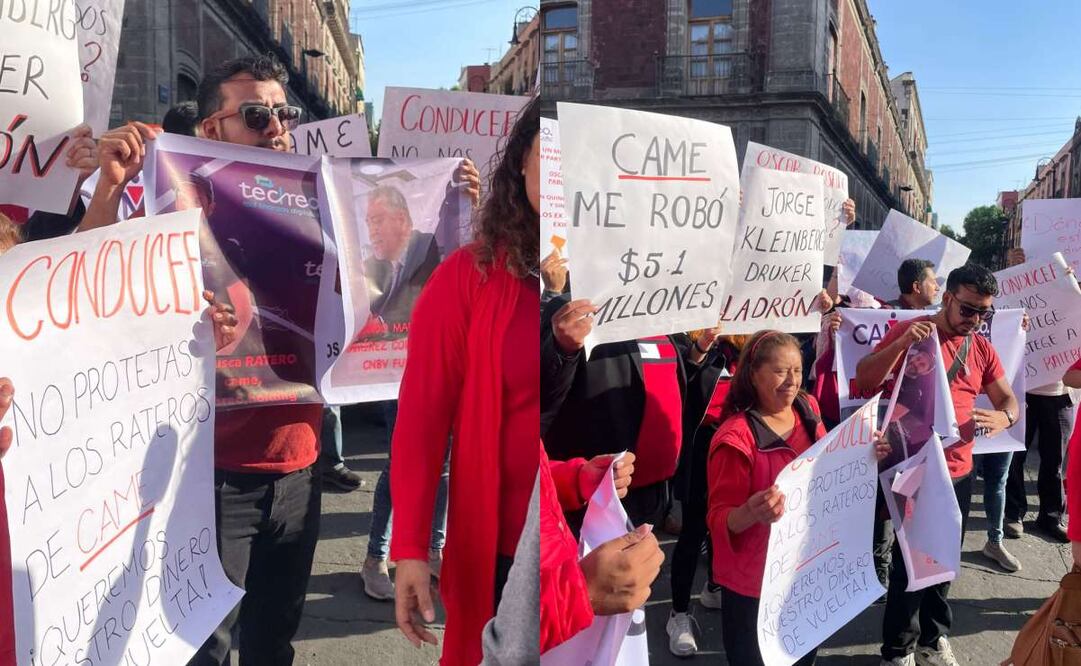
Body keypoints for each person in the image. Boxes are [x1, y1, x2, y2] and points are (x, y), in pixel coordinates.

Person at [81, 54, 323, 665]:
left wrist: (451, 208)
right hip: (207, 473)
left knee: (274, 643)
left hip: (300, 461)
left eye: (283, 112)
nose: (277, 127)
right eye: (255, 114)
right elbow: (86, 283)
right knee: (202, 647)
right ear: (212, 130)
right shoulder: (168, 205)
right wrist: (111, 185)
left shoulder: (324, 205)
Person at [389, 96, 539, 665]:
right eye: (544, 151)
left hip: (601, 543)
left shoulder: (629, 283)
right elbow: (422, 421)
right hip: (506, 554)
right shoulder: (465, 278)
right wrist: (409, 548)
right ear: (519, 165)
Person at [855, 263, 1019, 666]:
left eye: (984, 313)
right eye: (968, 310)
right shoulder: (914, 334)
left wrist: (1005, 418)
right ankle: (898, 650)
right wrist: (899, 345)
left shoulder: (981, 347)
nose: (975, 320)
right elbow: (863, 379)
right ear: (946, 299)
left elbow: (1008, 400)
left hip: (958, 472)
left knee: (944, 560)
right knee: (910, 565)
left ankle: (933, 638)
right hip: (911, 468)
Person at [707, 330, 890, 666]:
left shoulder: (808, 407)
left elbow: (828, 462)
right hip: (755, 588)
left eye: (796, 370)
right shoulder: (735, 439)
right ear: (753, 374)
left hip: (805, 576)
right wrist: (750, 512)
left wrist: (866, 455)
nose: (791, 381)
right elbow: (718, 518)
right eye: (779, 371)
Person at [666, 332, 746, 656]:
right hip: (703, 446)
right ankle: (679, 614)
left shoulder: (757, 347)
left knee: (727, 523)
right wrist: (702, 347)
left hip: (741, 444)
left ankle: (714, 586)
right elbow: (683, 379)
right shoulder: (697, 341)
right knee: (695, 529)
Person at [1005, 247, 1073, 544]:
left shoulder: (1071, 293)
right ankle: (1014, 513)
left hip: (1059, 392)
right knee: (1015, 457)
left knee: (1054, 459)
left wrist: (1072, 286)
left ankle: (1051, 516)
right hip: (1024, 390)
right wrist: (1012, 270)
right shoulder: (1020, 292)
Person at [360, 184, 441, 338]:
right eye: (368, 223)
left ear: (402, 220)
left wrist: (382, 323)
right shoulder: (372, 265)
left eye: (377, 221)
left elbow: (420, 299)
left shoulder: (425, 245)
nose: (371, 232)